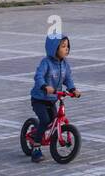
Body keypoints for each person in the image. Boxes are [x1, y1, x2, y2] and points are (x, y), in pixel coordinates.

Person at [29, 33, 77, 162]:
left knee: (54, 121)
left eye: (67, 46)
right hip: (39, 99)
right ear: (53, 48)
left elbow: (68, 78)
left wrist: (72, 89)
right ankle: (36, 148)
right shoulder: (46, 62)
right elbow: (38, 76)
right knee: (45, 121)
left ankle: (42, 133)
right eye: (63, 46)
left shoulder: (65, 64)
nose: (66, 49)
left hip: (52, 99)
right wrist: (44, 86)